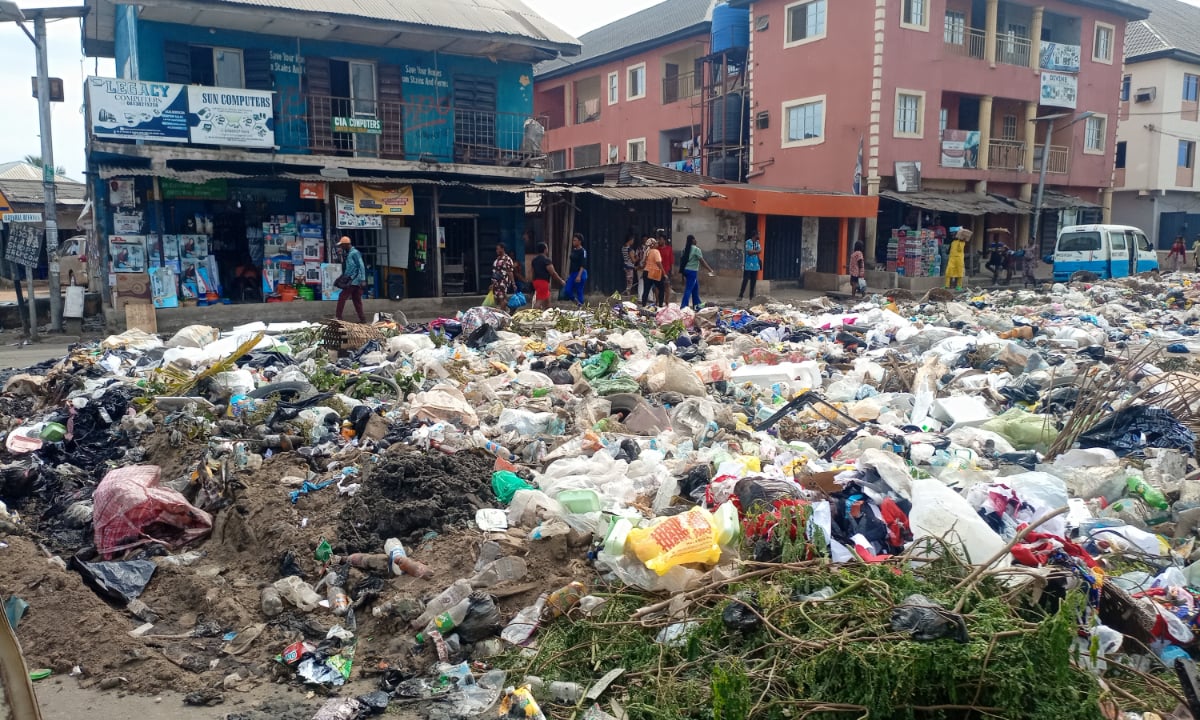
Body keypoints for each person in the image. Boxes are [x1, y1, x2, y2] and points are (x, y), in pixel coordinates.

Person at [679, 234, 715, 310]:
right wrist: (710, 270)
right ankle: (683, 306)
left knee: (695, 288)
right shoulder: (696, 249)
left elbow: (682, 263)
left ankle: (697, 305)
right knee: (688, 289)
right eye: (695, 239)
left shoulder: (685, 249)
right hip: (692, 271)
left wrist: (682, 276)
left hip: (686, 271)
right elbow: (702, 261)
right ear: (692, 240)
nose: (696, 240)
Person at [336, 236, 366, 323]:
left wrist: (363, 279)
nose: (341, 247)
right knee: (356, 300)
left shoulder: (355, 253)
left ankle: (338, 317)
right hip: (354, 280)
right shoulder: (350, 253)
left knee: (342, 296)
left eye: (342, 245)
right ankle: (363, 319)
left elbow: (361, 266)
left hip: (354, 280)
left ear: (346, 245)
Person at [530, 242, 565, 310]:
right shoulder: (546, 260)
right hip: (543, 282)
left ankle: (548, 312)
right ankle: (533, 313)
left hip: (536, 281)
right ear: (545, 249)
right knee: (539, 300)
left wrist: (532, 282)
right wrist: (560, 281)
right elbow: (553, 273)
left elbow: (532, 272)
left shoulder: (534, 260)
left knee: (547, 299)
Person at [563, 233, 588, 307]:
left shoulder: (583, 251)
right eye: (573, 240)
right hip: (573, 273)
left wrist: (579, 276)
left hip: (580, 273)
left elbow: (583, 264)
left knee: (579, 291)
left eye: (575, 240)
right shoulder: (574, 250)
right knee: (567, 290)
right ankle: (576, 302)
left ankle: (581, 307)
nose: (573, 242)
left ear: (579, 241)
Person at [490, 243, 518, 309]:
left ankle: (503, 314)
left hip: (502, 282)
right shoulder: (497, 260)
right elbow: (495, 272)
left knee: (502, 299)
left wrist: (513, 283)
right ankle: (509, 309)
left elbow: (510, 272)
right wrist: (492, 284)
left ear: (502, 249)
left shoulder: (507, 259)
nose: (496, 250)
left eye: (498, 249)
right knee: (498, 299)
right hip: (495, 283)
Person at [640, 237, 665, 306]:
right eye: (656, 243)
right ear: (653, 244)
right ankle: (660, 305)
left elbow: (644, 263)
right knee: (661, 289)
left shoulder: (647, 252)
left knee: (646, 290)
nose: (657, 244)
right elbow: (658, 263)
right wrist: (664, 273)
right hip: (655, 273)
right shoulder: (656, 251)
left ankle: (643, 305)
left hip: (646, 272)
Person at [738, 231, 761, 302]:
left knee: (753, 281)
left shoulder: (757, 243)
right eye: (758, 234)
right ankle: (740, 295)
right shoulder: (748, 242)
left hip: (755, 265)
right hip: (748, 265)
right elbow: (749, 252)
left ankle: (751, 296)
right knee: (745, 280)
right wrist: (756, 251)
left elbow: (760, 251)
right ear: (754, 235)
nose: (759, 235)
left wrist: (754, 251)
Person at [657, 229, 674, 304]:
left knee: (667, 286)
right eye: (658, 239)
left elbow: (671, 260)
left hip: (667, 270)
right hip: (658, 270)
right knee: (657, 287)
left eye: (660, 239)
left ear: (664, 240)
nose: (659, 241)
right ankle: (657, 301)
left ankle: (667, 301)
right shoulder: (657, 249)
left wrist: (672, 270)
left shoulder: (669, 249)